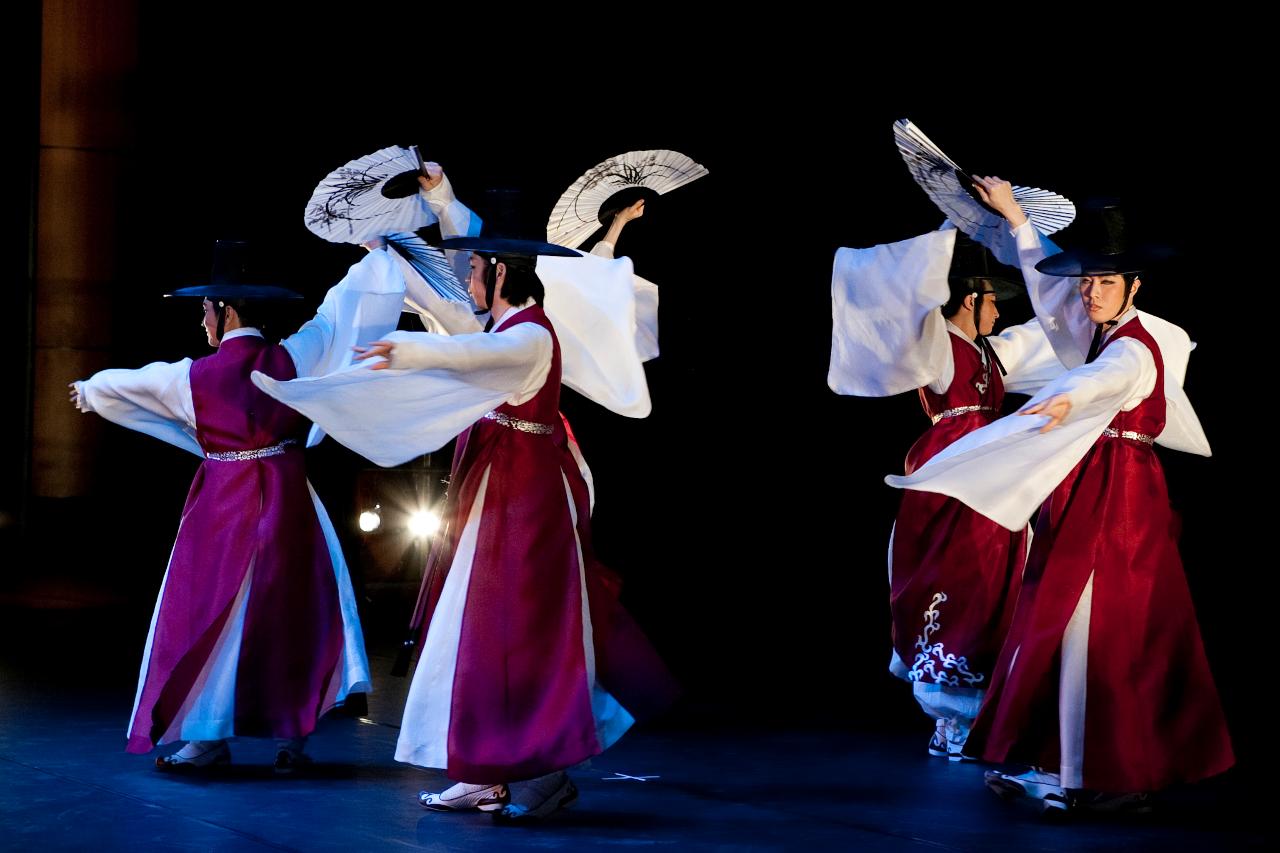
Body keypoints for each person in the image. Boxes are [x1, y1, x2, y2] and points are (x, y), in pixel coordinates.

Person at [888, 180, 1234, 811]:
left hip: (1119, 499)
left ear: (1135, 286)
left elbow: (1109, 378)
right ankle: (1069, 764)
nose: (1089, 292)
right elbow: (1049, 289)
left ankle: (1080, 775)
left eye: (1106, 282)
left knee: (1088, 625)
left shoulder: (1132, 347)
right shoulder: (1097, 325)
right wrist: (1017, 217)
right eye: (1087, 282)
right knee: (1065, 620)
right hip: (1090, 484)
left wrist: (1066, 399)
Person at [69, 239, 404, 772]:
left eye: (205, 310)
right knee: (296, 609)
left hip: (225, 506)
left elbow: (136, 383)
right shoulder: (294, 356)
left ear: (225, 312)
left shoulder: (194, 375)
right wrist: (375, 260)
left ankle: (206, 737)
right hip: (291, 499)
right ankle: (293, 738)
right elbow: (337, 317)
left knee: (214, 614)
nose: (202, 320)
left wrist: (92, 388)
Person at [830, 227, 1060, 760]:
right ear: (968, 300)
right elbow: (910, 294)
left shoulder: (987, 352)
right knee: (958, 581)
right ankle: (951, 719)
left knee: (996, 582)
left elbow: (1039, 338)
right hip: (950, 477)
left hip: (992, 475)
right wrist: (947, 233)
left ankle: (979, 711)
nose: (999, 314)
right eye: (991, 304)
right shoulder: (935, 347)